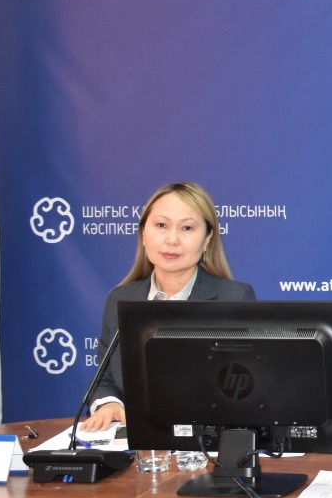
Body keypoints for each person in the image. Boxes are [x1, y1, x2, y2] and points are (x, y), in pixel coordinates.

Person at [79, 182, 256, 431]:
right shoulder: (120, 298)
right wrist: (109, 404)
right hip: (137, 445)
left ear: (207, 239)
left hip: (204, 443)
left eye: (187, 228)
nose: (172, 240)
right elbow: (104, 378)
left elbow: (244, 386)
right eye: (161, 225)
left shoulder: (233, 299)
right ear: (143, 233)